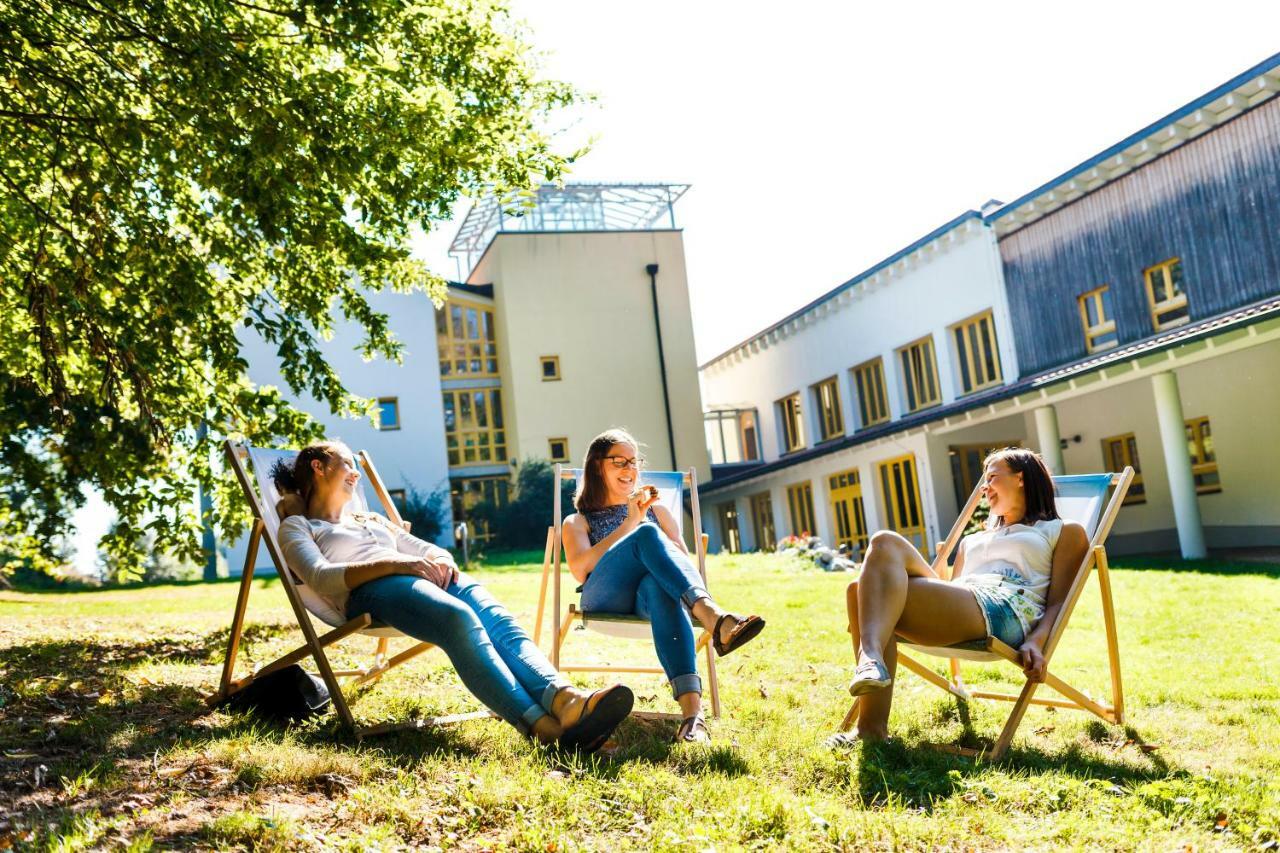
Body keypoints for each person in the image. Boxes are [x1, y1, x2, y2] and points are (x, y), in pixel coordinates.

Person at [271, 440, 632, 752]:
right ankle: (543, 729)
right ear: (318, 467)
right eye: (347, 463)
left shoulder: (371, 520)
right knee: (459, 620)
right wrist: (398, 564)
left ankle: (566, 701)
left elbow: (426, 549)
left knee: (499, 621)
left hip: (418, 578)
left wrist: (440, 561)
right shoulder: (298, 527)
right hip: (371, 592)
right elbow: (321, 578)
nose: (355, 473)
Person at [835, 447, 1088, 743]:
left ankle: (869, 664)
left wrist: (1037, 640)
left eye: (992, 477)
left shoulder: (1062, 530)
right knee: (860, 585)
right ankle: (871, 727)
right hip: (967, 602)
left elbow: (1059, 600)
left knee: (877, 559)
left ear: (1020, 479)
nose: (985, 487)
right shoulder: (973, 539)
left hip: (1006, 609)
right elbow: (954, 591)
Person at [561, 428, 766, 744]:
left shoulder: (659, 511)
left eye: (634, 461)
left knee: (661, 587)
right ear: (597, 466)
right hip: (605, 597)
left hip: (648, 598)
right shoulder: (578, 522)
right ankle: (714, 618)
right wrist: (631, 524)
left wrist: (644, 520)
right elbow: (580, 569)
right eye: (619, 461)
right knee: (646, 535)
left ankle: (693, 718)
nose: (630, 469)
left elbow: (681, 566)